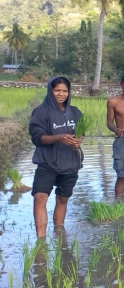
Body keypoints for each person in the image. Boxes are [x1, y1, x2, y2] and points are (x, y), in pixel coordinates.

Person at [29, 76, 84, 238]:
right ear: (50, 91)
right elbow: (37, 138)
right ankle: (41, 239)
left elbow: (81, 133)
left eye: (65, 91)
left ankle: (59, 234)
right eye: (57, 90)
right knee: (40, 197)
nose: (61, 94)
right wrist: (59, 137)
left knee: (62, 199)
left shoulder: (75, 112)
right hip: (47, 163)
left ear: (69, 92)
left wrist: (78, 140)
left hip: (70, 163)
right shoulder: (41, 112)